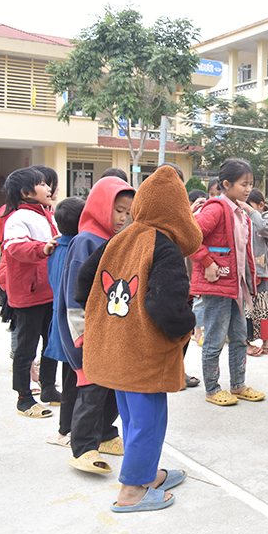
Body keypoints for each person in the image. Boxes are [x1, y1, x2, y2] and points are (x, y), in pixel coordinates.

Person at [75, 165, 202, 513]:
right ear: (179, 212)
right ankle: (132, 491)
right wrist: (185, 325)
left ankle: (147, 474)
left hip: (113, 347)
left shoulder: (120, 238)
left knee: (131, 417)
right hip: (143, 352)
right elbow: (165, 306)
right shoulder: (164, 246)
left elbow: (81, 286)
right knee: (150, 419)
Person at [60, 176, 134, 474]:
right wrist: (83, 336)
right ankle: (83, 448)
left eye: (128, 212)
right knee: (90, 390)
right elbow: (72, 297)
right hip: (86, 333)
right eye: (118, 210)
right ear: (102, 206)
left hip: (110, 330)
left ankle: (105, 434)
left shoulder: (114, 241)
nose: (123, 217)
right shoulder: (86, 241)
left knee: (111, 386)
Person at [190, 159, 263, 406]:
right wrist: (208, 262)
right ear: (226, 184)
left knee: (239, 336)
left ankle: (238, 385)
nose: (248, 189)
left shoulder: (239, 211)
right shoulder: (216, 208)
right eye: (244, 184)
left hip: (235, 286)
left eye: (250, 184)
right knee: (214, 339)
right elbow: (190, 237)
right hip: (218, 285)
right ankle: (212, 389)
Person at [2, 167, 60, 418]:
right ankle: (24, 398)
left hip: (49, 291)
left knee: (51, 343)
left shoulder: (47, 215)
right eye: (43, 185)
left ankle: (48, 388)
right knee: (27, 347)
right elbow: (17, 247)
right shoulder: (17, 219)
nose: (49, 189)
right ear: (26, 192)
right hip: (28, 294)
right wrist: (43, 248)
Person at [44, 197, 86, 448]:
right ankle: (65, 431)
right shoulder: (78, 249)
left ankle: (66, 430)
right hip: (72, 326)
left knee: (70, 377)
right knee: (73, 381)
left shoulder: (55, 248)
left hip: (59, 321)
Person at [245, 189, 268, 356]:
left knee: (265, 308)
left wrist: (251, 212)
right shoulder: (244, 219)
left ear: (260, 205)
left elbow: (265, 229)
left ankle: (266, 340)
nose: (246, 209)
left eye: (249, 206)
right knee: (246, 308)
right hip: (246, 270)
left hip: (262, 271)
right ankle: (246, 340)